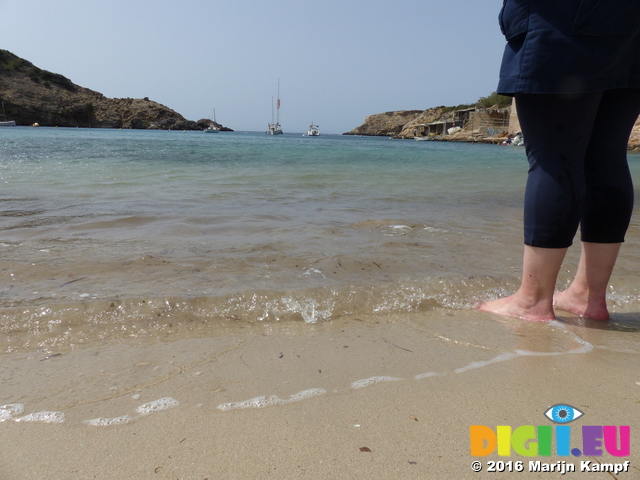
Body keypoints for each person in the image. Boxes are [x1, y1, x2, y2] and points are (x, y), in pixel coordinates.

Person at [479, 0, 640, 321]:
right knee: (607, 159)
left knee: (554, 161)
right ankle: (587, 297)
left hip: (561, 21)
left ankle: (532, 302)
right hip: (631, 25)